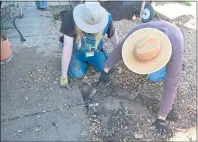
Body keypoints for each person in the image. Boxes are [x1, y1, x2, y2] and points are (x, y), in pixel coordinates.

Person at [99, 20, 186, 137]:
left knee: (155, 76)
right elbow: (119, 49)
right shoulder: (136, 35)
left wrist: (162, 118)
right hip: (158, 29)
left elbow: (171, 86)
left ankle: (175, 66)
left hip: (175, 37)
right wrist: (105, 70)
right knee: (151, 73)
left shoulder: (175, 49)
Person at [59, 1, 118, 89]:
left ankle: (96, 56)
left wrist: (119, 51)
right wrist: (64, 76)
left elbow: (112, 35)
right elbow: (68, 46)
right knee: (78, 74)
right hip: (77, 52)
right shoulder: (70, 17)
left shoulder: (107, 17)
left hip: (94, 51)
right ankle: (77, 60)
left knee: (105, 68)